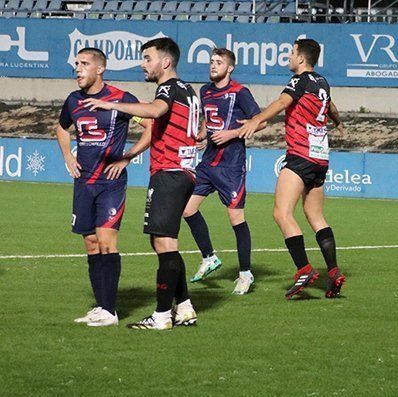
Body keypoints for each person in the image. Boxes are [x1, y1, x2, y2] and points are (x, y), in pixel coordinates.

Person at [84, 37, 200, 330]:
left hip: (170, 172)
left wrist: (112, 104)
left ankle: (161, 316)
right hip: (184, 172)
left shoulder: (168, 88)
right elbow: (197, 129)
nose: (143, 64)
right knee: (165, 242)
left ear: (165, 62)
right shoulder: (189, 90)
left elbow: (156, 111)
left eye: (148, 58)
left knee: (163, 242)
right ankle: (184, 307)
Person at [239, 38, 346, 299]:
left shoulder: (300, 81)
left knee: (281, 213)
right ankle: (334, 273)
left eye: (291, 53)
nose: (288, 56)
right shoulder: (322, 82)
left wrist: (256, 119)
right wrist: (339, 123)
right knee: (316, 216)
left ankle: (304, 270)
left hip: (301, 154)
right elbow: (330, 106)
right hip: (321, 158)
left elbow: (281, 103)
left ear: (301, 58)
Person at [55, 47, 151, 327]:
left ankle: (110, 310)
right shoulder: (73, 101)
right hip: (84, 183)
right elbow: (62, 128)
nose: (78, 68)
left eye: (84, 63)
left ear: (100, 69)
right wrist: (67, 156)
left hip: (110, 183)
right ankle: (100, 307)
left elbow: (150, 126)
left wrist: (127, 158)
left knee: (107, 243)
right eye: (76, 63)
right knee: (91, 244)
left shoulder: (121, 99)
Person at [184, 48, 262, 295]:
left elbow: (259, 120)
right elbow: (209, 120)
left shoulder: (240, 92)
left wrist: (232, 133)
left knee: (236, 218)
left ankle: (245, 274)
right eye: (212, 61)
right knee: (186, 208)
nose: (213, 65)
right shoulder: (205, 91)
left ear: (230, 68)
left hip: (231, 166)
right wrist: (203, 134)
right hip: (208, 163)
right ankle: (209, 257)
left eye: (219, 62)